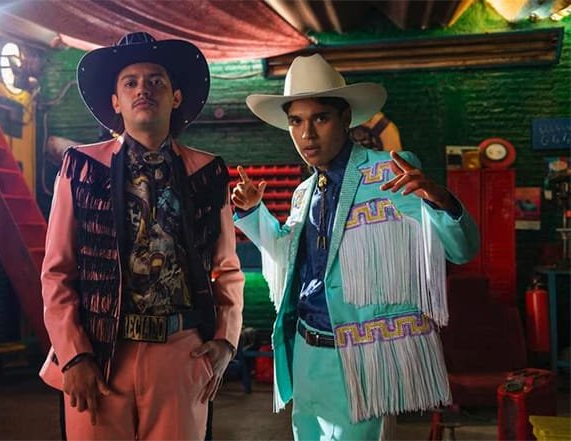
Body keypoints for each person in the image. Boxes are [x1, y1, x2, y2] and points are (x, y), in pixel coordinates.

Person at [231, 53, 480, 440]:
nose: (307, 134)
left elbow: (461, 251)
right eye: (296, 121)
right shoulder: (304, 192)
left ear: (345, 118)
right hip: (306, 349)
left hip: (362, 355)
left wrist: (440, 200)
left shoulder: (390, 171)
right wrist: (252, 212)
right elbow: (286, 256)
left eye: (320, 118)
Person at [39, 32, 244, 440]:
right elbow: (57, 272)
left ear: (176, 97)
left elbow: (227, 269)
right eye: (130, 82)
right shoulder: (81, 168)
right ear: (116, 102)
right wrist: (74, 355)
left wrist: (226, 342)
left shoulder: (206, 174)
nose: (142, 89)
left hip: (181, 353)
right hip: (99, 355)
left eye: (155, 81)